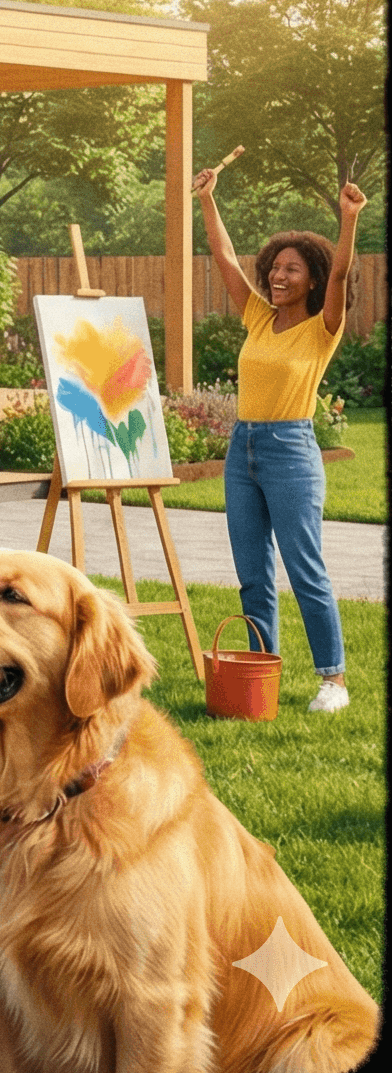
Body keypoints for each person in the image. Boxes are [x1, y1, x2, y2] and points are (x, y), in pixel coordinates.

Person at [196, 167, 367, 714]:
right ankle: (259, 674)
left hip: (291, 452)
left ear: (311, 279)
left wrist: (349, 219)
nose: (278, 275)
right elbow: (225, 258)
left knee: (304, 569)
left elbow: (341, 275)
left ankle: (333, 680)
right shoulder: (258, 317)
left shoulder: (323, 328)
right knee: (253, 576)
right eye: (274, 266)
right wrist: (207, 199)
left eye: (292, 269)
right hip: (242, 450)